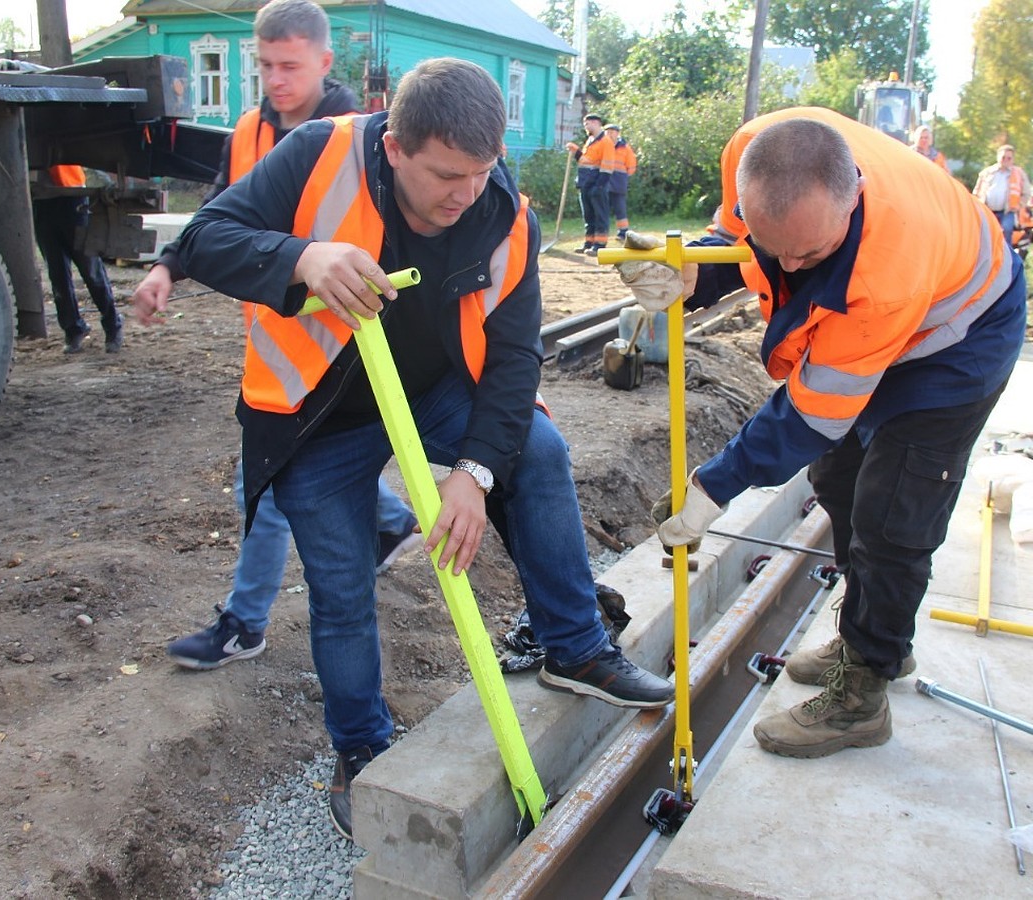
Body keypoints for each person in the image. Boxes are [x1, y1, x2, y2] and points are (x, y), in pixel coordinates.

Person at [140, 57, 674, 839]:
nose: (464, 195)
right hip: (315, 416)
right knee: (343, 588)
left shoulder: (505, 215)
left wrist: (475, 472)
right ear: (395, 147)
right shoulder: (320, 152)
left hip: (434, 389)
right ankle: (360, 747)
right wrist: (302, 259)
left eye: (481, 172)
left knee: (541, 450)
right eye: (445, 176)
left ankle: (576, 646)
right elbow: (206, 235)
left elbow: (516, 354)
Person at [619, 107, 1025, 759]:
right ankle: (868, 631)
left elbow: (812, 414)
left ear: (854, 194)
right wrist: (692, 271)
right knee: (837, 475)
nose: (793, 262)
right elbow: (745, 243)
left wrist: (713, 486)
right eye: (782, 246)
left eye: (811, 253)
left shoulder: (883, 273)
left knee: (893, 512)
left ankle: (863, 692)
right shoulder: (756, 149)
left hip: (957, 337)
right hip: (897, 311)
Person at [134, 0, 421, 670]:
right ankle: (390, 521)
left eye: (289, 65)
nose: (274, 79)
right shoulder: (247, 132)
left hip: (336, 350)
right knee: (273, 482)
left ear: (325, 62)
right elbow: (216, 218)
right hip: (271, 347)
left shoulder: (363, 138)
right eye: (264, 64)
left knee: (261, 488)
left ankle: (245, 621)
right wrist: (167, 269)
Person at [32, 165, 123, 354]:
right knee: (57, 275)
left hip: (71, 197)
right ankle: (73, 329)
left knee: (90, 269)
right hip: (41, 202)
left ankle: (113, 325)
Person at [565, 113, 614, 255]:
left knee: (600, 216)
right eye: (585, 124)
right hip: (585, 184)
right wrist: (576, 152)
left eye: (588, 123)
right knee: (589, 216)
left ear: (597, 123)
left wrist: (599, 186)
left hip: (597, 185)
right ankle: (589, 243)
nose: (586, 126)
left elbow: (607, 166)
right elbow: (587, 161)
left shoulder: (605, 142)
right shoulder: (590, 140)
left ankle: (599, 245)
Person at [972, 143, 1030, 245]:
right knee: (983, 234)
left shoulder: (1019, 174)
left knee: (1006, 231)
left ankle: (1004, 259)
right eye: (1003, 157)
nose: (1006, 160)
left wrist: (1019, 205)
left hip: (1007, 211)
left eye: (1009, 158)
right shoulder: (987, 172)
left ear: (1013, 159)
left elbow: (1026, 193)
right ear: (998, 157)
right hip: (987, 210)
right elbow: (977, 190)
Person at [604, 124, 637, 242]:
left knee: (620, 209)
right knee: (603, 209)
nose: (610, 134)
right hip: (604, 181)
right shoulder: (602, 146)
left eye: (612, 131)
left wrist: (623, 176)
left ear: (618, 133)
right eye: (607, 132)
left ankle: (623, 233)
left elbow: (632, 165)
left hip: (618, 182)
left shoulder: (625, 148)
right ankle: (603, 233)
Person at [1011, 192, 1033, 262]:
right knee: (1026, 239)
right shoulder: (1022, 209)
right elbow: (1021, 226)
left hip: (1020, 235)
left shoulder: (1031, 212)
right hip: (1013, 235)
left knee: (1030, 236)